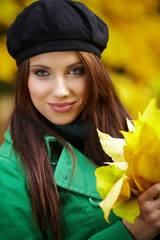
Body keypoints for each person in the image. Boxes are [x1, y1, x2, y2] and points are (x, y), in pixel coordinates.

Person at [0, 0, 160, 239]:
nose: (62, 90)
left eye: (75, 70)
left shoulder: (140, 140)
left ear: (96, 74)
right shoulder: (8, 171)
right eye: (42, 72)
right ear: (25, 80)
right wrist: (130, 232)